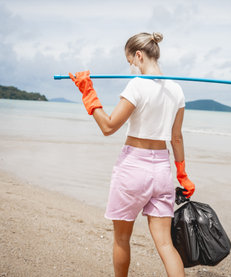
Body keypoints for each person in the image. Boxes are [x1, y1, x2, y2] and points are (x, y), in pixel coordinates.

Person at [69, 32, 195, 277]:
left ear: (139, 56)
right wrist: (182, 174)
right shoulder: (177, 90)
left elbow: (108, 127)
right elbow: (176, 137)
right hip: (162, 170)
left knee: (122, 240)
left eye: (130, 62)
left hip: (132, 169)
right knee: (166, 245)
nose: (130, 68)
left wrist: (88, 92)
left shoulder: (137, 84)